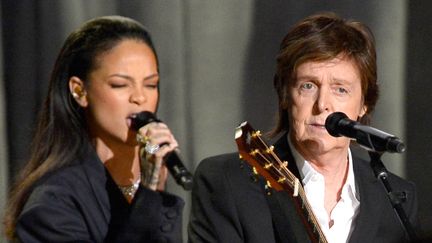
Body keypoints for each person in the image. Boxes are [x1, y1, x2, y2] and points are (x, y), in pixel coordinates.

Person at [188, 12, 418, 243]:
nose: (323, 105)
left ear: (364, 104)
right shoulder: (226, 183)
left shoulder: (396, 200)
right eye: (308, 86)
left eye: (340, 89)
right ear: (285, 94)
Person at [3, 16, 184, 242]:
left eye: (151, 84)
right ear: (79, 91)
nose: (140, 97)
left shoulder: (152, 186)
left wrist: (152, 193)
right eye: (120, 84)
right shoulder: (52, 204)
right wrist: (147, 198)